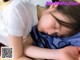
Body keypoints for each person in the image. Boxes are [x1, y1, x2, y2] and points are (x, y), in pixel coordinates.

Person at [0, 0, 80, 60]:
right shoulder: (19, 9)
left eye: (56, 34)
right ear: (53, 6)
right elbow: (16, 56)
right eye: (55, 26)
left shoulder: (36, 23)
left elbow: (24, 47)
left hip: (5, 46)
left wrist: (60, 54)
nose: (50, 32)